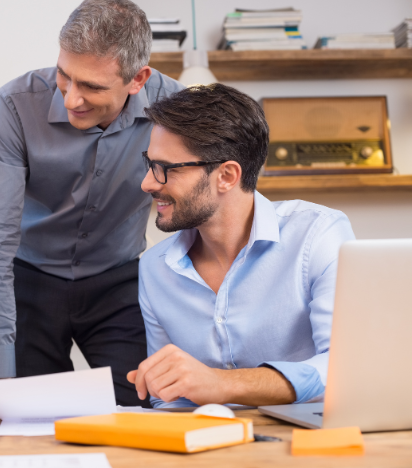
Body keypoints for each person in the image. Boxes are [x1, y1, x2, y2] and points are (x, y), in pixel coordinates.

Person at [0, 0, 184, 406]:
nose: (70, 99)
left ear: (137, 80)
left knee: (141, 409)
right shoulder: (14, 107)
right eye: (65, 75)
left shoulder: (174, 109)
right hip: (28, 280)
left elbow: (198, 215)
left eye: (91, 86)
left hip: (119, 280)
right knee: (27, 416)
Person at [128, 84, 356, 408]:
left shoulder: (318, 237)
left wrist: (223, 385)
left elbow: (344, 368)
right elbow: (168, 398)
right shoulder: (155, 268)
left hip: (305, 446)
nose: (148, 183)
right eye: (149, 164)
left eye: (165, 169)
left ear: (227, 176)